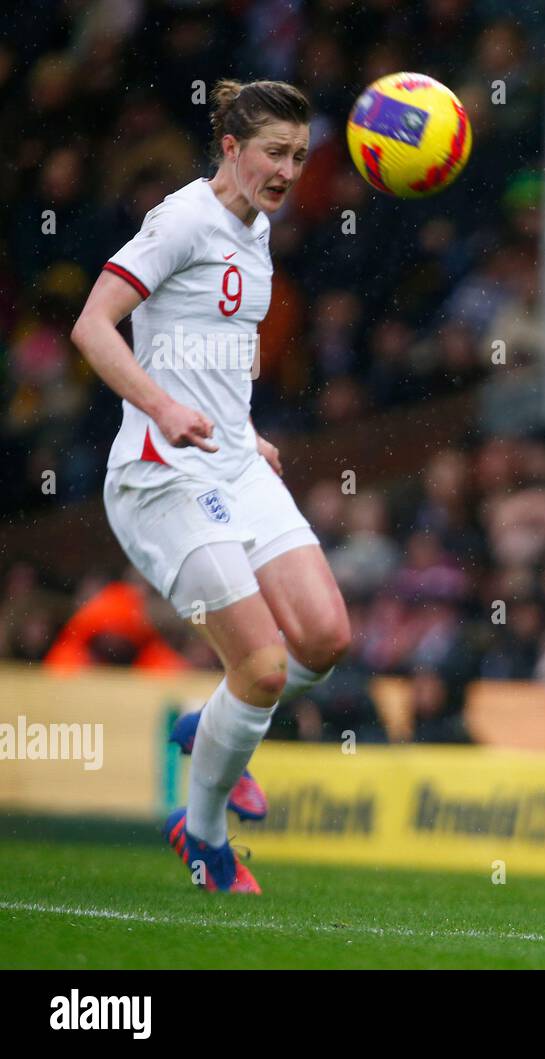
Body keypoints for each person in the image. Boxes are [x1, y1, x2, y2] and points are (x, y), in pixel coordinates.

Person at [70, 80, 351, 894]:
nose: (289, 170)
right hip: (161, 475)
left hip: (231, 461)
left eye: (299, 156)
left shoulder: (256, 230)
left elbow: (212, 346)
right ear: (231, 147)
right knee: (262, 669)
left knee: (325, 637)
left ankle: (210, 723)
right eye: (274, 152)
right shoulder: (183, 218)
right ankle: (203, 835)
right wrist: (163, 406)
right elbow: (93, 324)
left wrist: (240, 428)